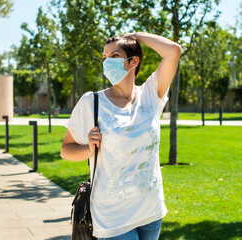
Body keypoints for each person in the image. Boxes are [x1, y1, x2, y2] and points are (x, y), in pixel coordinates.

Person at [60, 32, 181, 240]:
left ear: (133, 61)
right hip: (112, 216)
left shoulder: (150, 94)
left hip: (151, 210)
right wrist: (89, 149)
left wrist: (136, 36)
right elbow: (66, 150)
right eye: (104, 57)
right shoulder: (92, 102)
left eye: (114, 56)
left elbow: (173, 51)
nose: (107, 62)